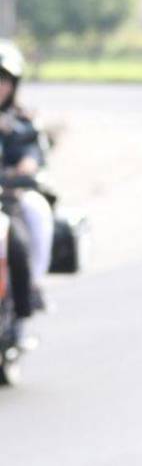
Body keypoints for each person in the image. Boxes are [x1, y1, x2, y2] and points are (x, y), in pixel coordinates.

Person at [0, 40, 54, 341]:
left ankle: (30, 288)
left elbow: (34, 151)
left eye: (4, 79)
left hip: (10, 197)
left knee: (36, 213)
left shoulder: (23, 122)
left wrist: (26, 167)